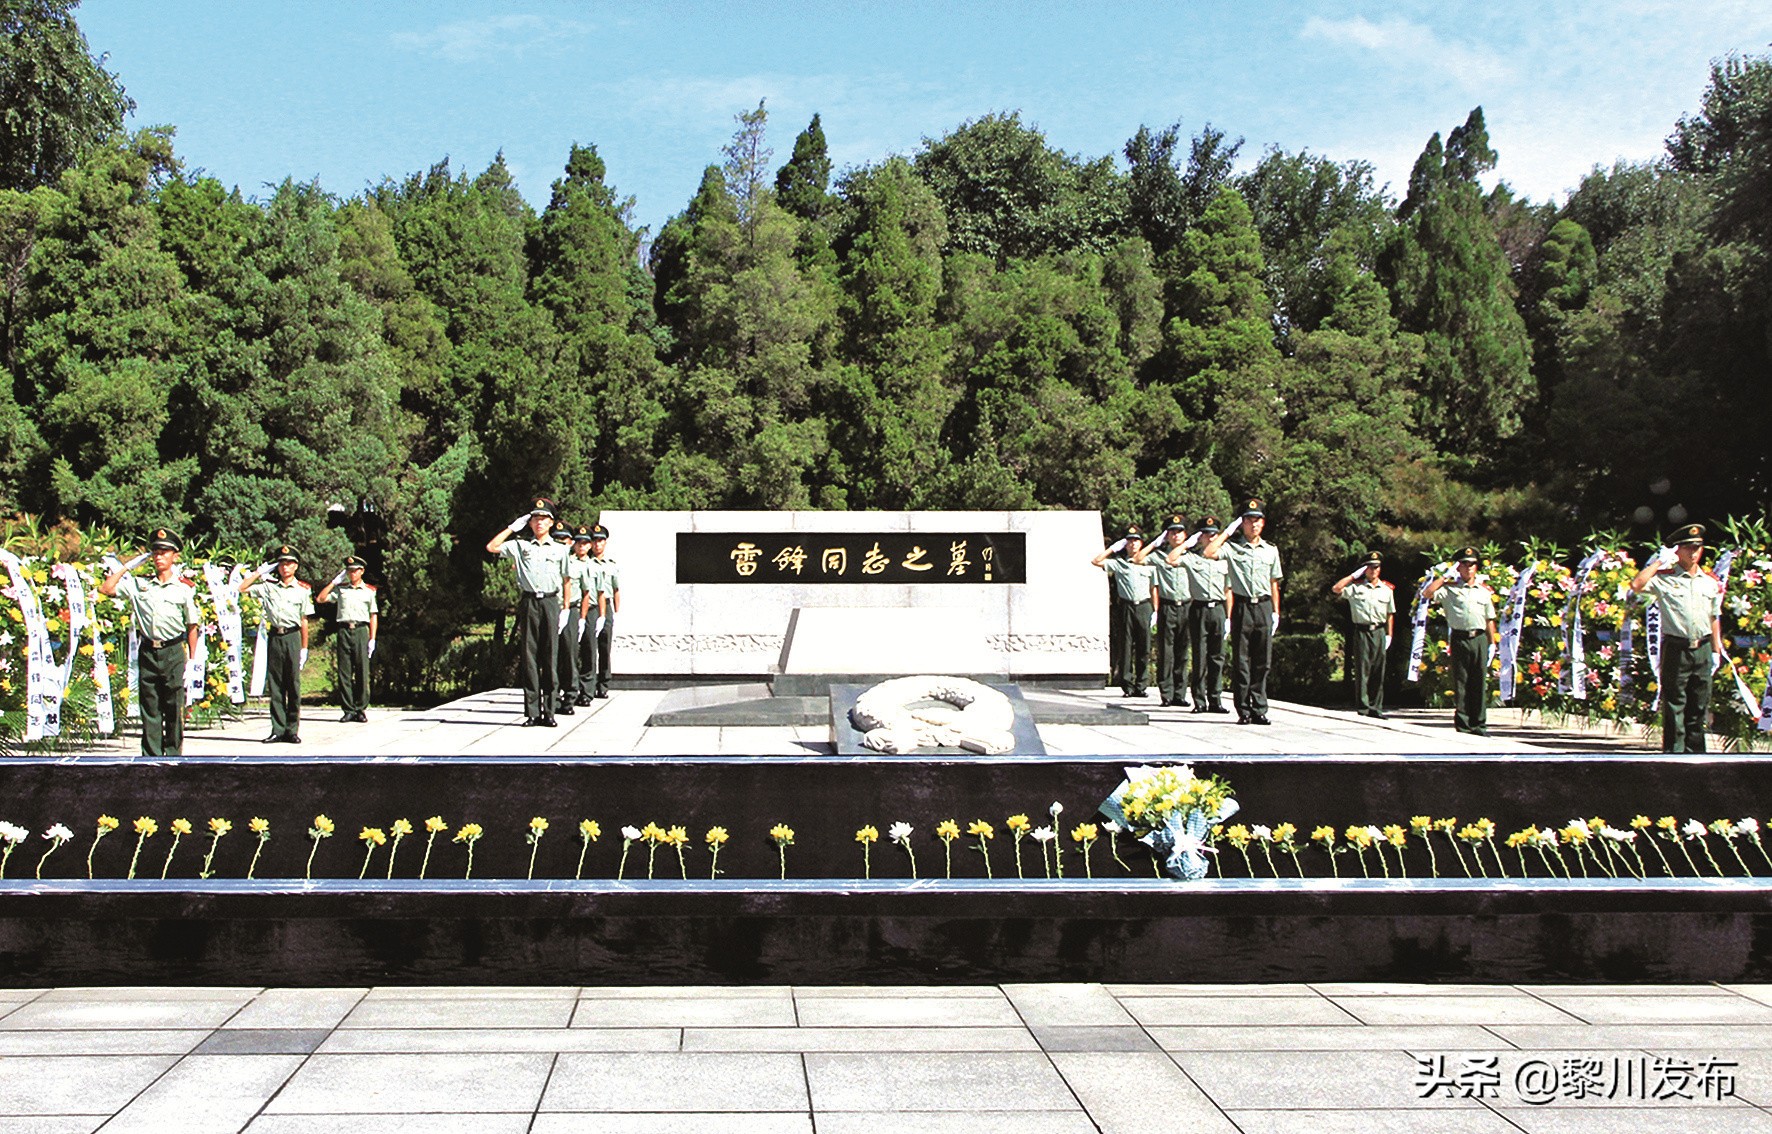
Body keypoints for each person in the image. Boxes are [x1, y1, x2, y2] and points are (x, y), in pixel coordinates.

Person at [99, 528, 201, 757]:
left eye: (165, 552)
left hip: (173, 651)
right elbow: (105, 589)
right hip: (148, 651)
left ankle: (173, 755)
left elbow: (192, 626)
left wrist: (193, 662)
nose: (159, 557)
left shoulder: (184, 588)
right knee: (150, 706)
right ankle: (150, 758)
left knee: (174, 707)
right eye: (155, 552)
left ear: (175, 556)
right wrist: (127, 566)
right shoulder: (139, 585)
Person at [1629, 523, 1725, 753]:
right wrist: (1660, 561)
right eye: (1687, 548)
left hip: (1701, 647)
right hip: (1676, 648)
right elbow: (1637, 585)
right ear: (1677, 550)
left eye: (1697, 548)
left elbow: (1714, 616)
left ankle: (1696, 755)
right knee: (1675, 705)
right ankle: (1674, 756)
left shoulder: (1709, 581)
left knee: (1699, 705)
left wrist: (1716, 650)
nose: (1693, 553)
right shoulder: (1664, 578)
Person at [487, 498, 569, 726]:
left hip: (551, 602)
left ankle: (550, 711)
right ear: (529, 523)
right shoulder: (521, 545)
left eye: (543, 519)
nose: (539, 523)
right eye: (534, 519)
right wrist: (512, 528)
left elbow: (566, 580)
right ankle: (533, 712)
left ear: (552, 522)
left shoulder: (561, 550)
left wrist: (565, 609)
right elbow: (492, 547)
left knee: (550, 656)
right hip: (530, 602)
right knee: (530, 656)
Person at [1202, 500, 1283, 725]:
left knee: (1262, 661)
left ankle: (1259, 708)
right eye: (1248, 520)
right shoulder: (1233, 547)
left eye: (1257, 520)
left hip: (1264, 606)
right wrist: (1228, 530)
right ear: (1242, 524)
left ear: (1263, 523)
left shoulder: (1271, 550)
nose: (1253, 524)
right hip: (1242, 606)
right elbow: (1209, 552)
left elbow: (1274, 582)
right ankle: (1244, 709)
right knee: (1242, 660)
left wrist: (1276, 612)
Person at [238, 545, 314, 743]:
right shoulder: (269, 586)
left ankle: (292, 729)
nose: (285, 567)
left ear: (296, 566)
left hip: (293, 636)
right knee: (276, 684)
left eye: (289, 563)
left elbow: (304, 620)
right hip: (275, 637)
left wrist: (305, 647)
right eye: (281, 563)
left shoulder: (303, 590)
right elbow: (242, 588)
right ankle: (277, 729)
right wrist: (258, 572)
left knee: (293, 685)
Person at [1423, 547, 1498, 735]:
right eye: (1464, 564)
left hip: (1479, 638)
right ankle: (1463, 724)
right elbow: (1427, 593)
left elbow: (1489, 619)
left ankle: (1479, 724)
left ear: (1477, 567)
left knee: (1479, 682)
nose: (1468, 568)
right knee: (1461, 682)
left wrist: (1492, 643)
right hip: (1460, 638)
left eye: (1472, 564)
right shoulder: (1449, 590)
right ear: (1459, 567)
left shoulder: (1483, 592)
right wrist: (1445, 575)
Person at [1092, 524, 1157, 698]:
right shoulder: (1119, 564)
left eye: (1136, 541)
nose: (1133, 544)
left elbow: (1154, 588)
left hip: (1144, 606)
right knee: (1126, 647)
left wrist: (1155, 611)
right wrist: (1113, 548)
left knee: (1144, 647)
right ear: (1125, 544)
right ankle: (1127, 686)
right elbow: (1096, 561)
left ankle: (1141, 685)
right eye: (1129, 541)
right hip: (1126, 606)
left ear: (1141, 544)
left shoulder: (1149, 563)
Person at [1136, 514, 1192, 707]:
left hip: (1187, 606)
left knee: (1182, 652)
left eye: (1180, 532)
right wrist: (1154, 543)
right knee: (1166, 653)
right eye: (1172, 532)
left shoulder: (1191, 556)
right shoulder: (1160, 557)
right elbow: (1137, 558)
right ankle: (1166, 694)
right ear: (1166, 536)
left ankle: (1180, 693)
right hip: (1167, 606)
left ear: (1186, 535)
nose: (1176, 536)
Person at [1332, 551, 1396, 718]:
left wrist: (1389, 635)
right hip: (1361, 630)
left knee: (1378, 670)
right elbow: (1336, 588)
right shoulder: (1356, 588)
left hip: (1379, 631)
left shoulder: (1387, 590)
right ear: (1364, 570)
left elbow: (1390, 613)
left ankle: (1376, 707)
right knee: (1362, 669)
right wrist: (1353, 576)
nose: (1373, 570)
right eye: (1369, 567)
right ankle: (1363, 707)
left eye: (1376, 567)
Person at [1178, 515, 1230, 714]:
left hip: (1218, 608)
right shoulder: (1192, 559)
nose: (1210, 539)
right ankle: (1199, 701)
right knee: (1199, 656)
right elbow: (1171, 559)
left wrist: (1228, 617)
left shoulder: (1224, 559)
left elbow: (1228, 590)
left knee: (1217, 656)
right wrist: (1186, 544)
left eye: (1213, 535)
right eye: (1205, 535)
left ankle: (1215, 699)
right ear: (1199, 537)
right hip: (1198, 609)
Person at [317, 554, 377, 723]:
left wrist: (372, 638)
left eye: (355, 571)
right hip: (344, 629)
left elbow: (373, 615)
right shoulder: (341, 589)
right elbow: (321, 599)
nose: (352, 574)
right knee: (344, 671)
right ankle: (348, 709)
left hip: (361, 630)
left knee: (362, 672)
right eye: (349, 571)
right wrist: (333, 583)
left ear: (362, 571)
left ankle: (360, 708)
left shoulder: (369, 591)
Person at [559, 524, 599, 714]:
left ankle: (586, 691)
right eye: (578, 542)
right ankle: (564, 691)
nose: (581, 546)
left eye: (585, 543)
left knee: (588, 650)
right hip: (564, 609)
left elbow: (597, 591)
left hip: (587, 609)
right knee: (567, 652)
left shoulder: (595, 565)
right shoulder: (568, 561)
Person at [588, 523, 619, 698]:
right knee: (590, 646)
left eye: (601, 541)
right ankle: (590, 684)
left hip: (606, 606)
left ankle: (604, 683)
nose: (597, 544)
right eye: (594, 541)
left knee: (604, 645)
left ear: (605, 543)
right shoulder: (586, 563)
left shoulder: (611, 564)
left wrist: (616, 609)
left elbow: (616, 589)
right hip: (591, 605)